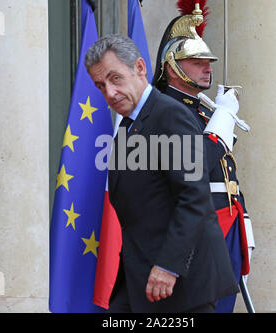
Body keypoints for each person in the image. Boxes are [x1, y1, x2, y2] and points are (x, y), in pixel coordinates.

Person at [85, 34, 238, 313]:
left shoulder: (170, 115)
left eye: (115, 78)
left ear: (140, 68)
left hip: (181, 283)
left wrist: (169, 265)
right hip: (140, 276)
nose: (109, 93)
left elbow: (194, 198)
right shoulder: (129, 124)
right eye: (100, 85)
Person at [152, 0, 255, 313]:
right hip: (195, 232)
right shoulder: (163, 110)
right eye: (197, 61)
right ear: (172, 64)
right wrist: (221, 126)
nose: (208, 67)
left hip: (225, 224)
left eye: (208, 61)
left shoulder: (201, 108)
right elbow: (192, 166)